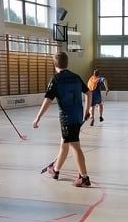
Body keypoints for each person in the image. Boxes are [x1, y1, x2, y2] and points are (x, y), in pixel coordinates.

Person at [33, 51, 92, 187]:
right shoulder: (76, 77)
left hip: (67, 119)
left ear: (55, 65)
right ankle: (55, 170)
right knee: (64, 144)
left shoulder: (56, 79)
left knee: (75, 146)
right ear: (67, 63)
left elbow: (48, 100)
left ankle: (84, 178)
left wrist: (37, 118)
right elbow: (88, 93)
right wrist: (87, 111)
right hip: (77, 116)